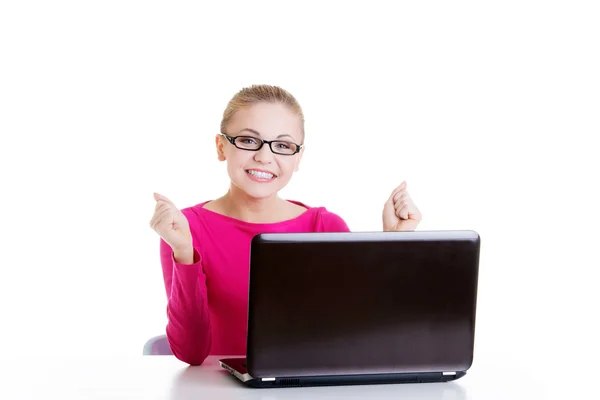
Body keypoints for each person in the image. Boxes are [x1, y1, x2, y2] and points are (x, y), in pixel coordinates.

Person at [149, 84, 422, 365]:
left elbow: (364, 336)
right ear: (221, 147)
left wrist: (394, 244)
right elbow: (191, 353)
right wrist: (183, 251)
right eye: (248, 140)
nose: (265, 157)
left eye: (282, 145)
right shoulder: (184, 229)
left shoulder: (325, 227)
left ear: (298, 158)